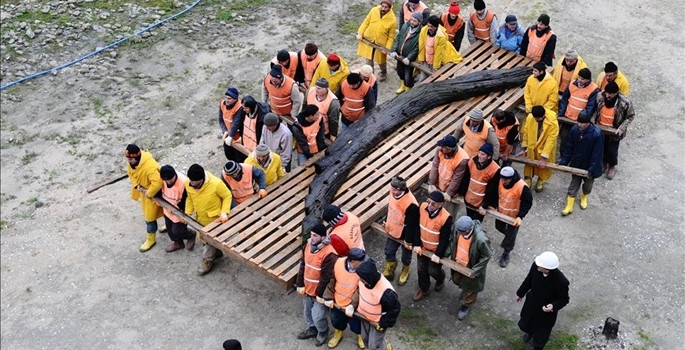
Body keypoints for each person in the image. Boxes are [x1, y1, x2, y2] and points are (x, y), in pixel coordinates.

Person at [295, 223, 338, 347]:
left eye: (315, 236)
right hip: (308, 290)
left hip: (320, 293)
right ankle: (312, 329)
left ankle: (323, 332)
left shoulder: (330, 254)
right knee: (307, 312)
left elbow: (326, 277)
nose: (311, 238)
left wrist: (320, 294)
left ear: (323, 237)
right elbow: (303, 265)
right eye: (311, 235)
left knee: (318, 316)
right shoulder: (309, 245)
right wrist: (300, 284)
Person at [480, 166, 532, 268]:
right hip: (501, 213)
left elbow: (527, 203)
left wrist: (520, 217)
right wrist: (489, 205)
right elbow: (493, 193)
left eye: (506, 179)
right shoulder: (499, 180)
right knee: (498, 227)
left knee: (511, 236)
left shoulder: (522, 187)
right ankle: (510, 237)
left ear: (512, 178)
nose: (503, 181)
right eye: (502, 179)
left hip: (514, 217)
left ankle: (506, 253)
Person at [184, 164, 232, 276]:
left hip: (214, 219)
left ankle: (208, 260)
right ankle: (217, 252)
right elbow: (190, 197)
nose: (193, 186)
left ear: (202, 179)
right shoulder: (189, 183)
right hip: (200, 217)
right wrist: (187, 213)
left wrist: (225, 212)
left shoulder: (216, 183)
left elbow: (227, 196)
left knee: (209, 240)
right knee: (205, 239)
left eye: (196, 185)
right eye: (192, 183)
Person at [516, 251, 570, 350]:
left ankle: (537, 346)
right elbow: (529, 279)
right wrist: (520, 293)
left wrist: (553, 306)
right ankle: (529, 333)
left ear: (547, 269)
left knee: (541, 334)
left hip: (545, 313)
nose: (537, 266)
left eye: (540, 266)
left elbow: (564, 299)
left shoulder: (561, 281)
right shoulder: (536, 266)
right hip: (532, 304)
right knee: (526, 323)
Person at [321, 248, 368, 349]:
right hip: (338, 303)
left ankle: (360, 336)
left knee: (356, 325)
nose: (364, 263)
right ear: (352, 261)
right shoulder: (338, 263)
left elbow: (362, 289)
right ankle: (338, 333)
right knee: (337, 321)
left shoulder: (363, 270)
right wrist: (328, 297)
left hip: (354, 306)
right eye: (361, 261)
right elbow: (331, 280)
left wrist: (352, 305)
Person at [558, 113, 604, 216]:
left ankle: (584, 196)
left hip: (590, 165)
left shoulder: (596, 133)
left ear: (588, 123)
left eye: (582, 123)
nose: (579, 125)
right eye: (578, 122)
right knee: (573, 184)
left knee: (588, 185)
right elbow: (569, 146)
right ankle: (569, 206)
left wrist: (592, 169)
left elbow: (597, 153)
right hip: (577, 163)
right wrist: (564, 160)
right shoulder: (575, 130)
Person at [412, 191, 452, 302]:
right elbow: (417, 226)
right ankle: (424, 289)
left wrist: (438, 254)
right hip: (423, 248)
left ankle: (440, 278)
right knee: (421, 269)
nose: (429, 205)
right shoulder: (422, 207)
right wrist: (416, 243)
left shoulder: (446, 218)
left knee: (433, 270)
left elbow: (445, 239)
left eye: (433, 204)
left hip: (435, 251)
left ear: (441, 205)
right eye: (429, 202)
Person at [450, 216, 492, 320]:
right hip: (458, 264)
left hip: (471, 267)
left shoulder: (481, 240)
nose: (458, 233)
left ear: (468, 230)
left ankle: (466, 306)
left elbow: (486, 256)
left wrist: (475, 270)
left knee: (471, 289)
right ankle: (464, 289)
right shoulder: (458, 230)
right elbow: (452, 242)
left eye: (461, 232)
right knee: (456, 280)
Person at [124, 144, 163, 253]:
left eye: (130, 158)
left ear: (136, 157)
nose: (128, 161)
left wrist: (148, 193)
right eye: (128, 158)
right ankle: (152, 237)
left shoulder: (149, 166)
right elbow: (131, 174)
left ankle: (151, 240)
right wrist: (136, 185)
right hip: (145, 191)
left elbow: (157, 183)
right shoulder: (131, 163)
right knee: (150, 215)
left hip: (155, 193)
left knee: (151, 217)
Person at [593, 81, 635, 179]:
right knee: (601, 147)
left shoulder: (625, 102)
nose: (607, 95)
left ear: (616, 93)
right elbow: (596, 110)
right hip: (600, 129)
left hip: (614, 132)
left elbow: (630, 116)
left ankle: (612, 166)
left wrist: (622, 128)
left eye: (610, 93)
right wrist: (594, 122)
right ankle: (603, 163)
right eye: (606, 92)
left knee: (612, 150)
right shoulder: (600, 96)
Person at [355, 260, 401, 350]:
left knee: (374, 345)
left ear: (369, 278)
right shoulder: (364, 279)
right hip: (364, 316)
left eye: (362, 279)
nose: (360, 280)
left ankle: (384, 347)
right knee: (364, 338)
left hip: (378, 322)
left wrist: (384, 324)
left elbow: (395, 308)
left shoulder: (387, 293)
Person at [382, 176, 419, 286]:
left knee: (406, 256)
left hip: (405, 234)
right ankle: (390, 269)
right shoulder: (393, 192)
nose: (391, 190)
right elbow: (390, 207)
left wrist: (408, 240)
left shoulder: (411, 204)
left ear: (401, 190)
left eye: (394, 189)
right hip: (392, 229)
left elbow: (412, 224)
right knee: (389, 251)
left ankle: (405, 271)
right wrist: (386, 220)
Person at [519, 106, 559, 192]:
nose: (537, 120)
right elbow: (526, 133)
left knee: (543, 167)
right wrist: (523, 148)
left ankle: (541, 180)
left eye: (538, 119)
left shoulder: (553, 123)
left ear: (543, 115)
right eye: (535, 118)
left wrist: (544, 158)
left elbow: (550, 141)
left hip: (545, 147)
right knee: (529, 164)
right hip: (532, 146)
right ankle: (528, 178)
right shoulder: (530, 117)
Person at [427, 134, 469, 216]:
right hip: (439, 184)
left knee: (447, 214)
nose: (441, 148)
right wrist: (431, 183)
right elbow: (435, 166)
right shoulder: (440, 150)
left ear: (449, 149)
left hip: (450, 188)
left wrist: (449, 193)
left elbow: (457, 178)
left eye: (443, 147)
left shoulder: (462, 159)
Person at [356, 0, 397, 82]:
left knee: (381, 61)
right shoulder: (373, 10)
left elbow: (391, 36)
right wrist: (360, 33)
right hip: (369, 40)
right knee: (368, 59)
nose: (383, 8)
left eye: (386, 7)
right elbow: (366, 22)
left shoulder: (392, 19)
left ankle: (383, 73)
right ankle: (370, 76)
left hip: (381, 44)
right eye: (382, 6)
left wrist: (387, 48)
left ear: (390, 8)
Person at [558, 68, 599, 147]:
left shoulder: (594, 89)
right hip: (567, 117)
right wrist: (561, 113)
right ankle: (563, 157)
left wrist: (584, 120)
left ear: (588, 80)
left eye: (582, 79)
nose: (579, 80)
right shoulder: (572, 84)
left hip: (580, 122)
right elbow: (564, 99)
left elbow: (591, 107)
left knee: (578, 142)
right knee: (564, 138)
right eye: (579, 77)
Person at [158, 165, 196, 252]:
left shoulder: (184, 183)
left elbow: (187, 201)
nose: (168, 181)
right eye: (165, 180)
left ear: (175, 174)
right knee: (169, 228)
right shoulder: (162, 179)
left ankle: (191, 234)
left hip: (179, 211)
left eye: (170, 179)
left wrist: (185, 215)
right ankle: (178, 242)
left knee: (178, 230)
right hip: (167, 208)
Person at [458, 143, 499, 222]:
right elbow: (465, 179)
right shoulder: (472, 161)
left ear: (489, 156)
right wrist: (461, 192)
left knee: (476, 223)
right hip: (469, 199)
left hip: (480, 203)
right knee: (469, 218)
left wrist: (485, 205)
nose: (479, 155)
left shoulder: (495, 169)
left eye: (483, 154)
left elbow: (492, 190)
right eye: (479, 152)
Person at [417, 15, 463, 81]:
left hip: (435, 59)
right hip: (426, 59)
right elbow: (421, 45)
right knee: (422, 80)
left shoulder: (441, 37)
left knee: (435, 80)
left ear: (436, 27)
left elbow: (439, 53)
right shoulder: (424, 30)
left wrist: (436, 66)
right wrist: (421, 59)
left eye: (431, 26)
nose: (429, 28)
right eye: (428, 25)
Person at [389, 12, 423, 94]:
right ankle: (402, 86)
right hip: (400, 56)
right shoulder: (405, 26)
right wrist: (394, 50)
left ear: (419, 22)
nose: (412, 22)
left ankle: (408, 91)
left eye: (415, 21)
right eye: (411, 19)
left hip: (409, 59)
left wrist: (409, 58)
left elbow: (417, 47)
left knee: (408, 76)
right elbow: (398, 38)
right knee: (400, 72)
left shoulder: (421, 32)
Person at [306, 78, 341, 142]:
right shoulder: (310, 91)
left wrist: (333, 134)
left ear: (326, 90)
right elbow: (304, 105)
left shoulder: (333, 102)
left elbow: (334, 120)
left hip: (323, 130)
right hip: (309, 126)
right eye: (316, 87)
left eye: (319, 88)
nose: (316, 90)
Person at [218, 87, 245, 162]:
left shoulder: (239, 108)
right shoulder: (222, 104)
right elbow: (221, 120)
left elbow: (236, 123)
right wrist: (225, 131)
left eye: (229, 98)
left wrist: (230, 136)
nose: (226, 100)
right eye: (226, 97)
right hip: (228, 135)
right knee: (229, 154)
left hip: (238, 137)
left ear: (235, 99)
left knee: (239, 157)